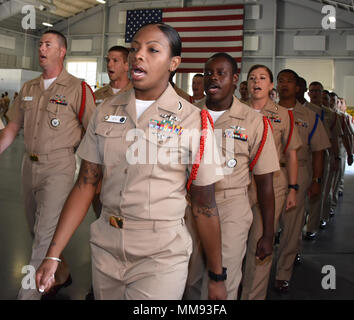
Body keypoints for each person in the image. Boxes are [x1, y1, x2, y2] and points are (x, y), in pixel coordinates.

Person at [35, 23, 227, 300]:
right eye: (135, 48)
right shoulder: (105, 111)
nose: (138, 55)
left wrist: (217, 275)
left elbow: (205, 204)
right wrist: (53, 254)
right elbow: (86, 184)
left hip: (161, 254)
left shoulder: (193, 120)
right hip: (106, 248)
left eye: (152, 50)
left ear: (174, 63)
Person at [0, 30, 96, 300]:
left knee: (43, 236)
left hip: (59, 168)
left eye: (48, 44)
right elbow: (11, 128)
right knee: (35, 229)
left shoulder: (78, 89)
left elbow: (92, 133)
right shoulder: (29, 88)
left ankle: (28, 295)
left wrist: (93, 176)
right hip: (27, 167)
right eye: (40, 44)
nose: (41, 48)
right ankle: (61, 273)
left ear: (62, 51)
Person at [184, 54, 279, 300]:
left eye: (220, 73)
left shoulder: (254, 121)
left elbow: (265, 184)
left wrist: (268, 234)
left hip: (231, 205)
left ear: (235, 79)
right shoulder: (188, 116)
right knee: (188, 277)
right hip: (190, 205)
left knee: (221, 280)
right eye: (208, 73)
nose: (212, 77)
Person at [241, 65, 302, 300]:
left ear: (270, 86)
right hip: (239, 184)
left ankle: (252, 296)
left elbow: (292, 153)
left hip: (273, 185)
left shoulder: (283, 114)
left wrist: (293, 189)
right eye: (252, 77)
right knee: (233, 242)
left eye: (262, 78)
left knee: (261, 244)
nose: (257, 81)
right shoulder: (236, 110)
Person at [273, 69, 330, 293]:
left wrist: (316, 180)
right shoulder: (265, 113)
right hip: (271, 171)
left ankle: (283, 273)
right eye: (281, 81)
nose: (284, 85)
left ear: (298, 88)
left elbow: (318, 151)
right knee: (263, 226)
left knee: (292, 226)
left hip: (300, 171)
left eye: (289, 81)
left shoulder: (309, 116)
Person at [92, 46, 132, 218]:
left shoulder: (135, 95)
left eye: (115, 60)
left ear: (126, 65)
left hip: (124, 163)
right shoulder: (97, 95)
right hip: (98, 161)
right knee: (99, 207)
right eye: (108, 60)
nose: (110, 64)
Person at [304, 81, 342, 239]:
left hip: (322, 154)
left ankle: (311, 227)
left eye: (317, 91)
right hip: (305, 155)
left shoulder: (330, 114)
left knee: (319, 191)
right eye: (311, 91)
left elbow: (334, 138)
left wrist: (336, 157)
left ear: (322, 93)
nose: (314, 94)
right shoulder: (303, 111)